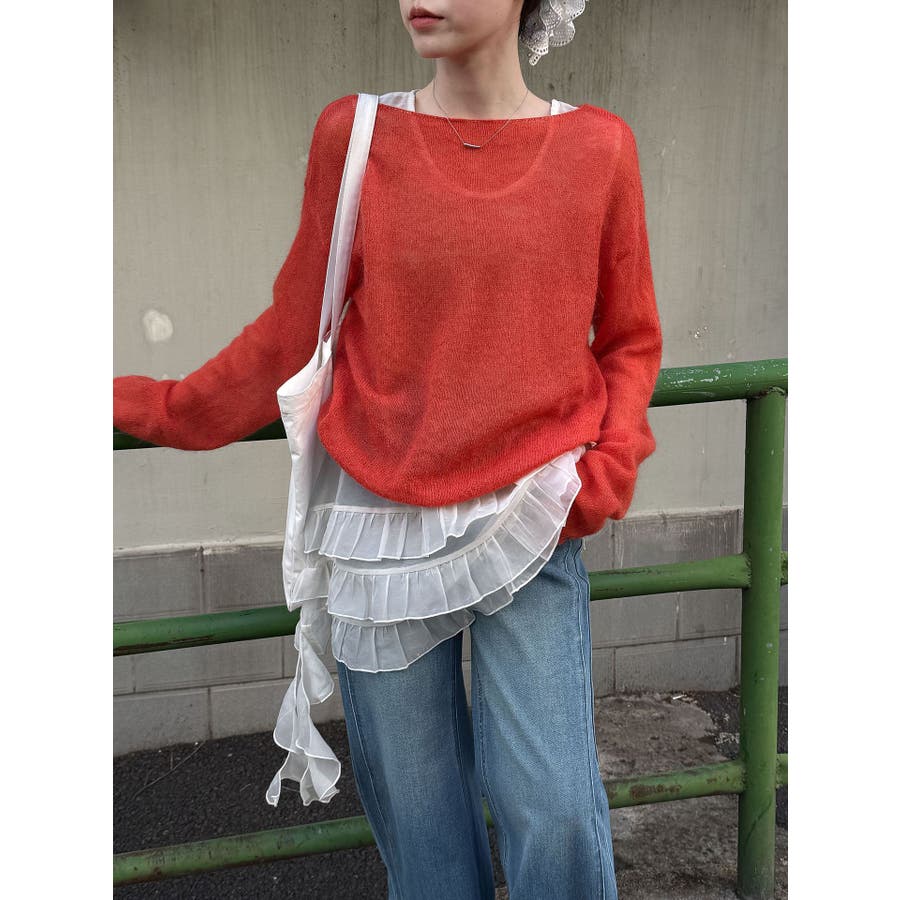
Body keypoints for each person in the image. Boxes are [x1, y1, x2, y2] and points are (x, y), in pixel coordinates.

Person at [114, 1, 662, 897]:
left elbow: (631, 339)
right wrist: (155, 407)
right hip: (378, 528)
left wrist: (607, 469)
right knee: (421, 820)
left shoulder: (600, 148)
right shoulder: (356, 136)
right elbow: (294, 330)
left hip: (535, 519)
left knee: (556, 808)